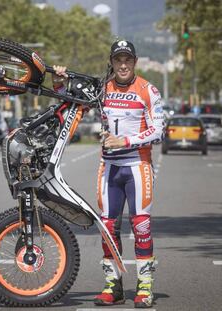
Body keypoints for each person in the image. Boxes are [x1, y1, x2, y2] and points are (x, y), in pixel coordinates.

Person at [53, 40, 165, 308]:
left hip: (137, 167)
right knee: (108, 228)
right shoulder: (102, 89)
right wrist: (59, 83)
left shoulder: (148, 90)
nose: (123, 65)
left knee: (141, 226)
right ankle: (112, 286)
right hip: (109, 168)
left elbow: (159, 131)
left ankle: (145, 287)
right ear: (112, 63)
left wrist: (124, 142)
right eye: (118, 60)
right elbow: (70, 106)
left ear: (134, 62)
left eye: (127, 60)